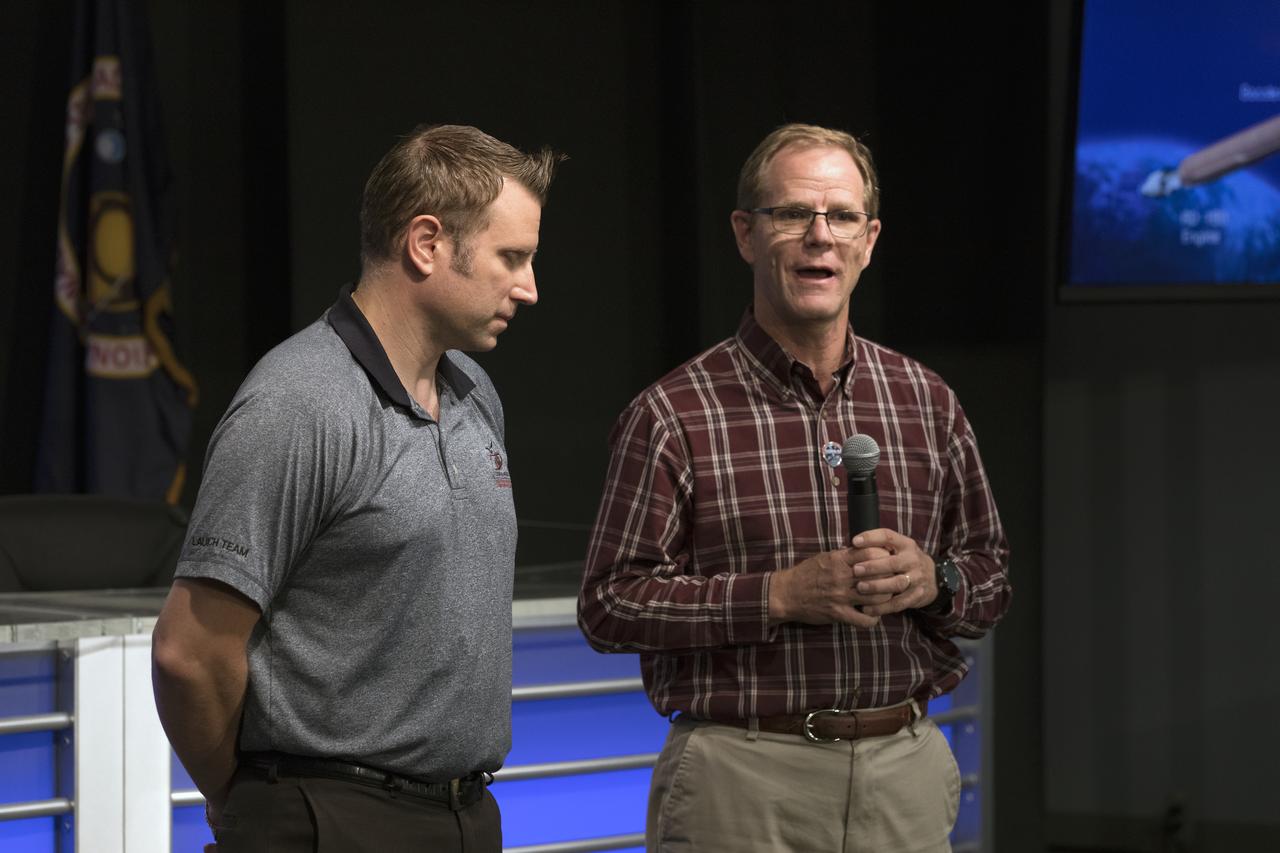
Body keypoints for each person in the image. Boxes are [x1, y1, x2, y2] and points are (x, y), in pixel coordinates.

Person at [578, 123, 1012, 853]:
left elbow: (992, 578)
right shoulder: (674, 412)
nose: (820, 236)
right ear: (746, 234)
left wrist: (931, 579)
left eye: (841, 216)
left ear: (869, 241)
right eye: (792, 215)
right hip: (742, 779)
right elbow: (610, 604)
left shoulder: (926, 400)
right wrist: (779, 595)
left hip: (901, 769)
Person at [152, 124, 562, 852]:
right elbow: (190, 653)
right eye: (513, 258)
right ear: (427, 243)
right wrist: (246, 802)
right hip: (323, 819)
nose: (529, 288)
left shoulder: (476, 392)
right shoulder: (297, 403)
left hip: (467, 812)